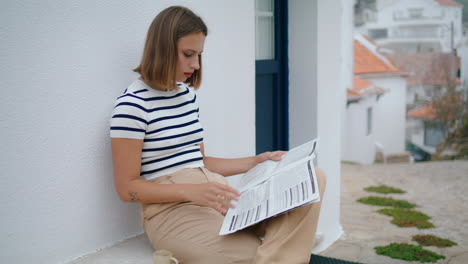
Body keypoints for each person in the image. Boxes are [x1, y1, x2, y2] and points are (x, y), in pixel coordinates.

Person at [110, 6, 326, 264]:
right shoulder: (132, 106)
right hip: (172, 213)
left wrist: (256, 161)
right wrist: (191, 192)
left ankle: (279, 251)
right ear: (162, 48)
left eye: (199, 55)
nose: (196, 64)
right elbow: (127, 188)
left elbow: (201, 161)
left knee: (313, 177)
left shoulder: (186, 96)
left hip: (217, 199)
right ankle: (285, 249)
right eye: (188, 54)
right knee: (255, 254)